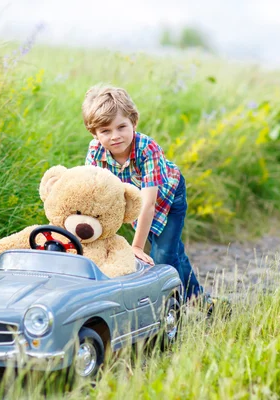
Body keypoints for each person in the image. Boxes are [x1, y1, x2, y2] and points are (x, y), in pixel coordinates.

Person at [82, 84, 207, 305]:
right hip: (139, 203)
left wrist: (137, 247)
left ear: (134, 122)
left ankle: (169, 307)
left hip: (168, 198)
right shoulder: (96, 152)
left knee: (163, 257)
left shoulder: (147, 149)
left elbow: (149, 204)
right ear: (94, 133)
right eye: (105, 131)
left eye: (121, 127)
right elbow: (94, 192)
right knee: (174, 249)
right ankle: (199, 300)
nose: (115, 136)